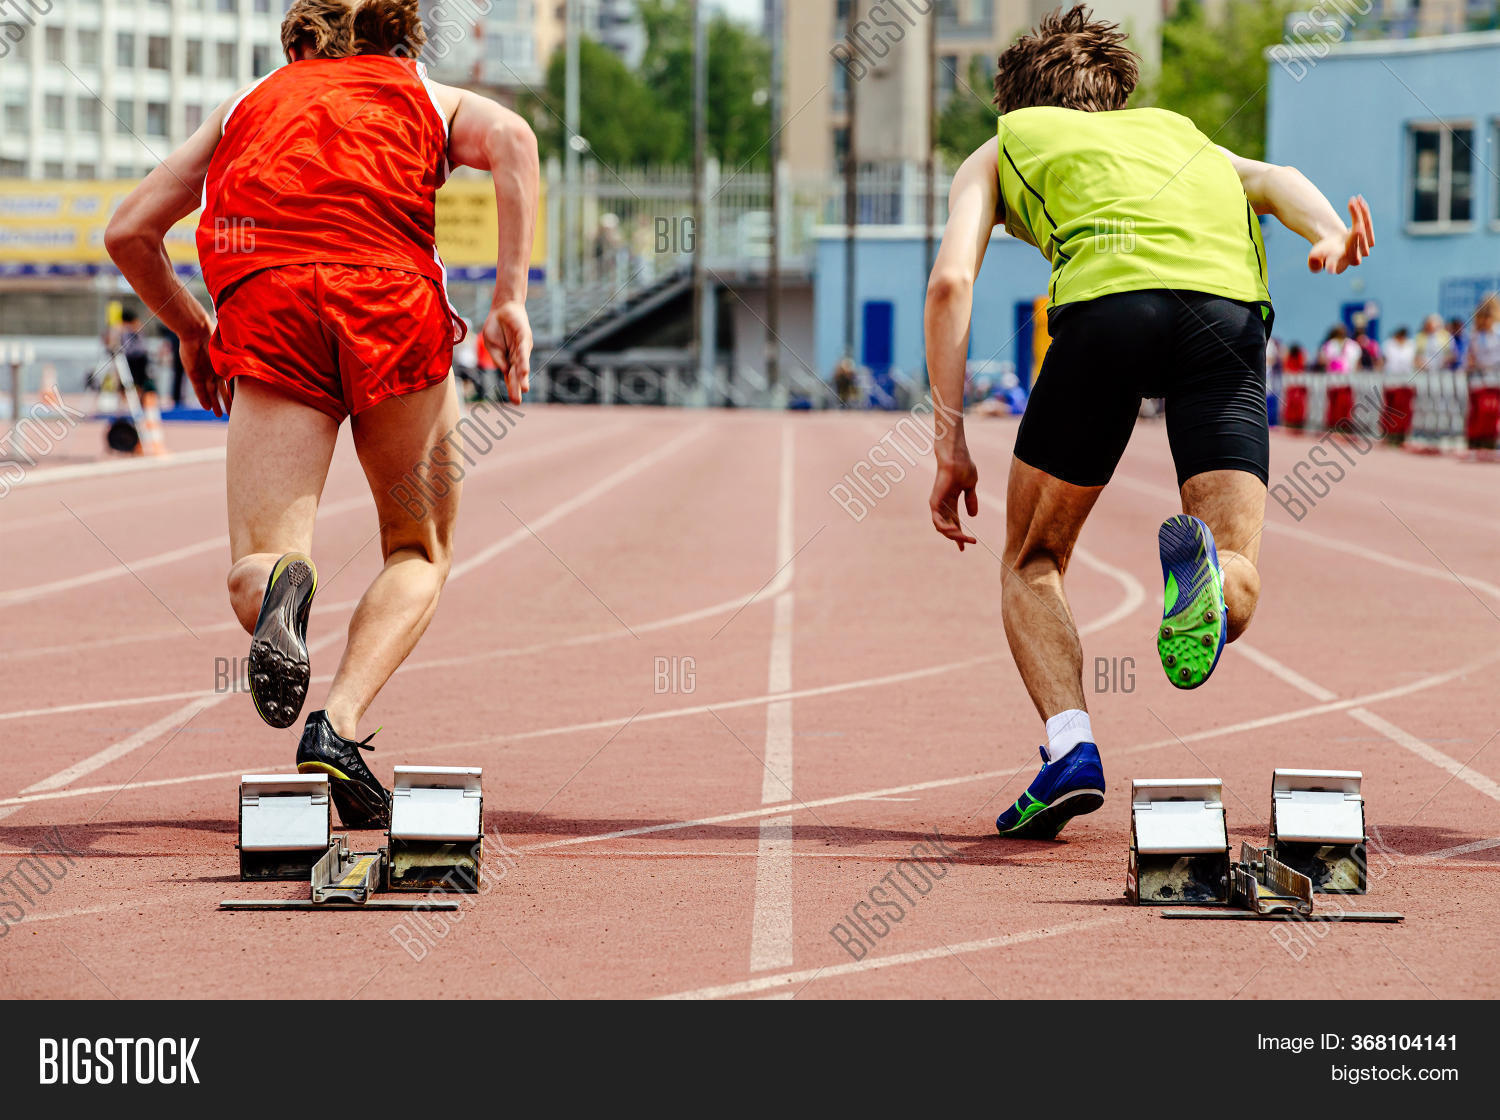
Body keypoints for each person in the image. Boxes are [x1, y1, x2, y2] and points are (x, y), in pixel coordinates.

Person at [923, 4, 1373, 840]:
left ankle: (1071, 750)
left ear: (1015, 103)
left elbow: (951, 282)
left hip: (1110, 312)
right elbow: (1274, 178)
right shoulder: (1181, 134)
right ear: (1117, 96)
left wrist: (948, 443)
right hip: (1227, 316)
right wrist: (1331, 234)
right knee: (1238, 562)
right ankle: (1207, 575)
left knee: (1034, 558)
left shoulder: (1003, 145)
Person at [105, 0, 538, 828]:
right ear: (399, 30)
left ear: (297, 38)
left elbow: (130, 231)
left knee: (260, 559)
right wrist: (509, 299)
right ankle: (334, 729)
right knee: (417, 547)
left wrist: (195, 329)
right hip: (388, 304)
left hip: (268, 310)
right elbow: (515, 141)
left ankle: (279, 588)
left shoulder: (247, 106)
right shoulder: (422, 92)